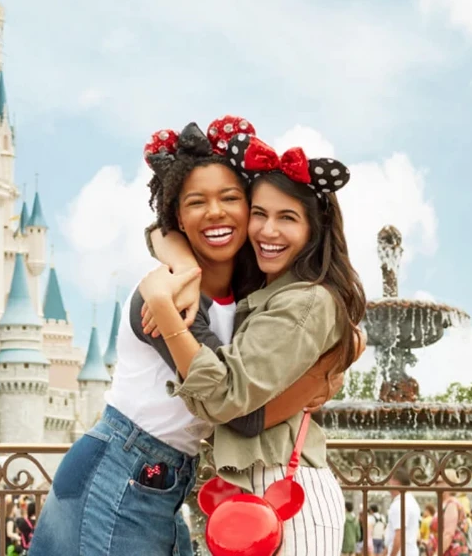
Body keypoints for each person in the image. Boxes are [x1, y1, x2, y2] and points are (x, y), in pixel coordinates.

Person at [30, 118, 352, 556]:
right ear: (177, 216)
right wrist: (320, 376)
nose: (215, 212)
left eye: (231, 198)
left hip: (161, 479)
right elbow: (234, 409)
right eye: (196, 202)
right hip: (120, 469)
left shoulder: (248, 287)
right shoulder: (165, 295)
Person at [140, 125, 366, 555]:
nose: (267, 230)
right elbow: (161, 229)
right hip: (252, 491)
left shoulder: (304, 300)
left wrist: (168, 315)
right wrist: (183, 265)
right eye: (259, 213)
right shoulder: (264, 288)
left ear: (314, 229)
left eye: (287, 218)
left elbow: (229, 401)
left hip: (288, 492)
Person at [385, 468, 420, 556]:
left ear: (396, 482)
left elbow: (399, 535)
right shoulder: (411, 501)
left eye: (389, 481)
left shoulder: (400, 504)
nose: (387, 484)